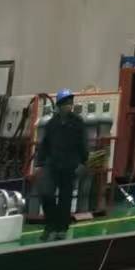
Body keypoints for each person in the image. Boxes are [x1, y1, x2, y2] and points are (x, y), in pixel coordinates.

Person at [35, 90, 88, 242]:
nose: (69, 106)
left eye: (70, 103)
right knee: (46, 193)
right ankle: (50, 225)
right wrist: (39, 164)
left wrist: (83, 163)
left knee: (65, 198)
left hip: (69, 166)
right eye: (65, 103)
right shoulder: (52, 124)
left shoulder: (77, 123)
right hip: (52, 165)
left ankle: (62, 228)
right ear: (59, 105)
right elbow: (44, 145)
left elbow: (83, 144)